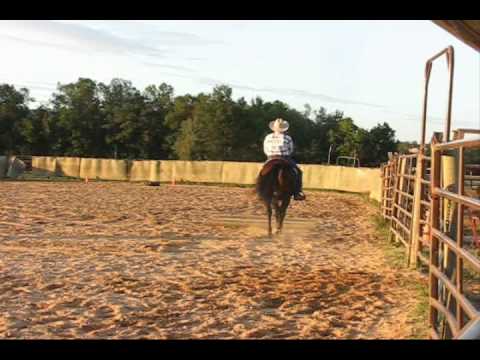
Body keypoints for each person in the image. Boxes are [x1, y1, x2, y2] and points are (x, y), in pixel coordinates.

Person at [263, 118, 306, 201]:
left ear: (274, 128)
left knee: (262, 172)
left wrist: (270, 155)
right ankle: (297, 192)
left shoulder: (268, 137)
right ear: (284, 128)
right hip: (284, 158)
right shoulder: (287, 138)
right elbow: (291, 150)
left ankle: (261, 189)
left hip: (271, 157)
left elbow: (265, 149)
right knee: (298, 172)